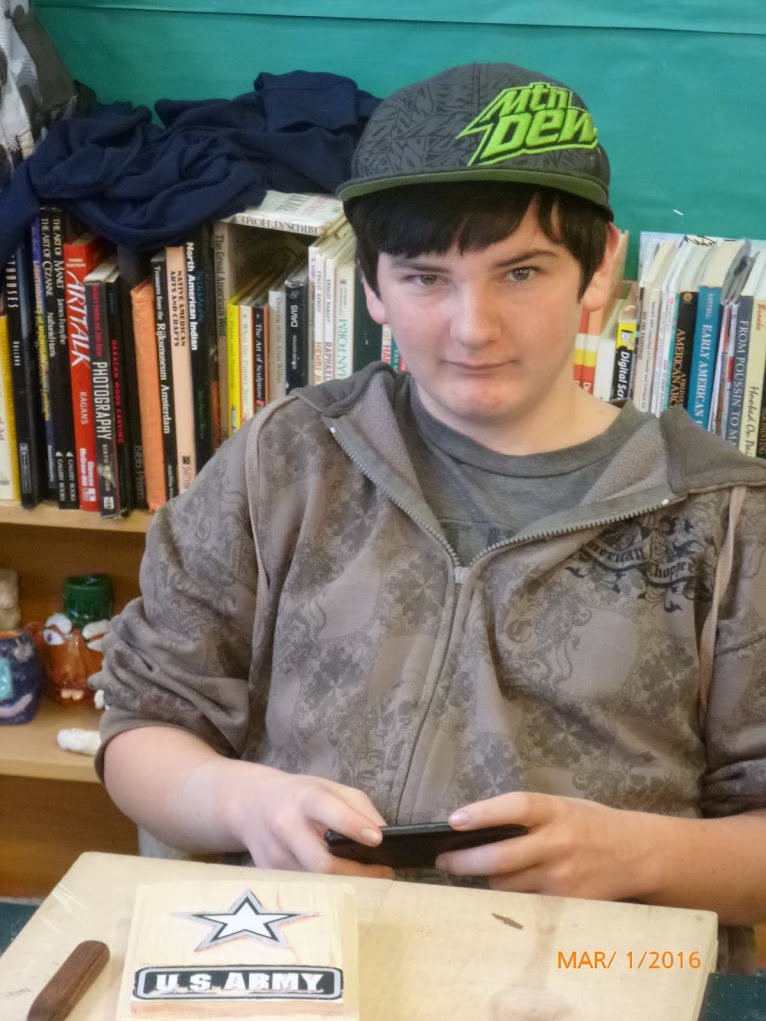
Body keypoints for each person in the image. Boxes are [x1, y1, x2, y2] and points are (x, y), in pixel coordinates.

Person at [93, 63, 766, 973]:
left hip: (589, 979)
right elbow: (140, 726)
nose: (473, 327)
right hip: (307, 965)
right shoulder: (287, 459)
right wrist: (242, 801)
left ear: (600, 268)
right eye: (425, 278)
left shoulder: (727, 516)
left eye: (520, 272)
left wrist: (640, 855)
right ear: (370, 286)